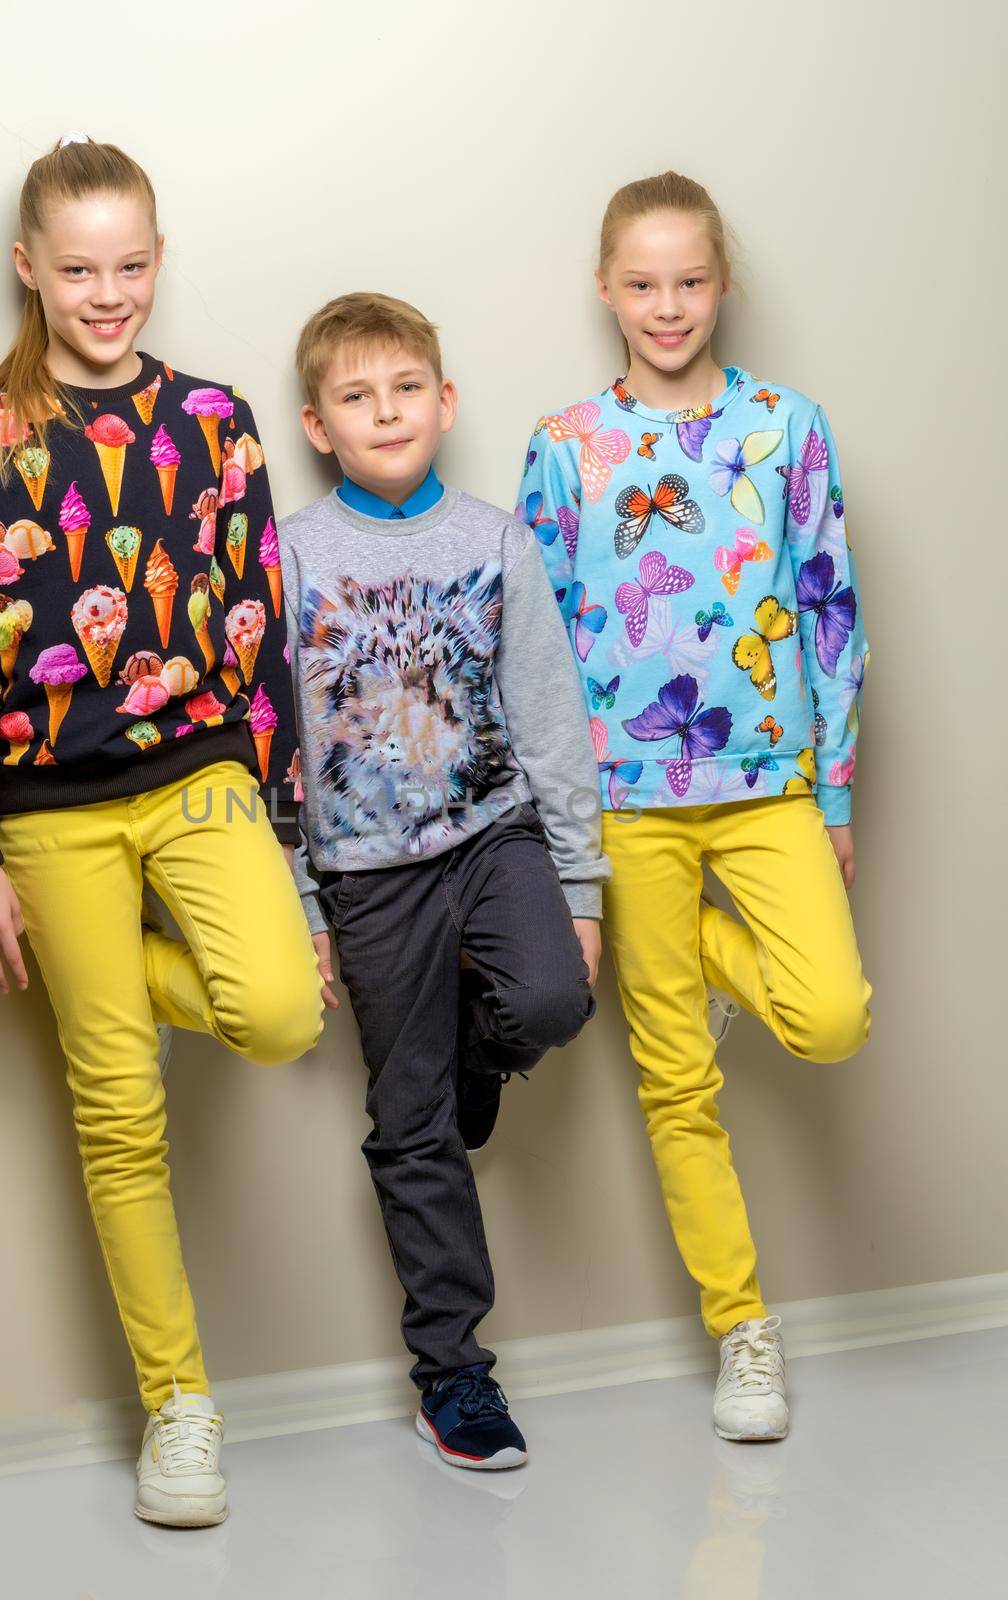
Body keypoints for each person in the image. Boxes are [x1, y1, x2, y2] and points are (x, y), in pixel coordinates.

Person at [0, 133, 323, 1526]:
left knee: (276, 1010)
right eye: (78, 267)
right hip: (45, 813)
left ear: (161, 259)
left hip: (203, 772)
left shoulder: (213, 417)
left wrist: (276, 823)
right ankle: (180, 1407)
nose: (108, 293)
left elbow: (260, 614)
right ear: (27, 267)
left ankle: (131, 991)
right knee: (119, 1113)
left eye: (132, 264)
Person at [517, 171, 871, 1442]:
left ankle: (721, 966)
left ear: (725, 284)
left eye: (692, 280)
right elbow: (539, 654)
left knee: (829, 1011)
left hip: (769, 776)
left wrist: (832, 783)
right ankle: (745, 1331)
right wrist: (562, 839)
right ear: (605, 288)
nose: (668, 307)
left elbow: (829, 604)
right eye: (643, 283)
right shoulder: (566, 446)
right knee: (674, 1076)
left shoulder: (791, 426)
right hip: (624, 801)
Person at [280, 292, 610, 1470]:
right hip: (365, 877)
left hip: (492, 835)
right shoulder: (292, 554)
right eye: (356, 396)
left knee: (550, 1001)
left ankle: (486, 1051)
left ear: (445, 399)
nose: (386, 412)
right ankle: (455, 1374)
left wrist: (580, 889)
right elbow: (276, 746)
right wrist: (303, 900)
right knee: (410, 1120)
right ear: (318, 424)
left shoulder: (495, 541)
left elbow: (552, 722)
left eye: (405, 388)